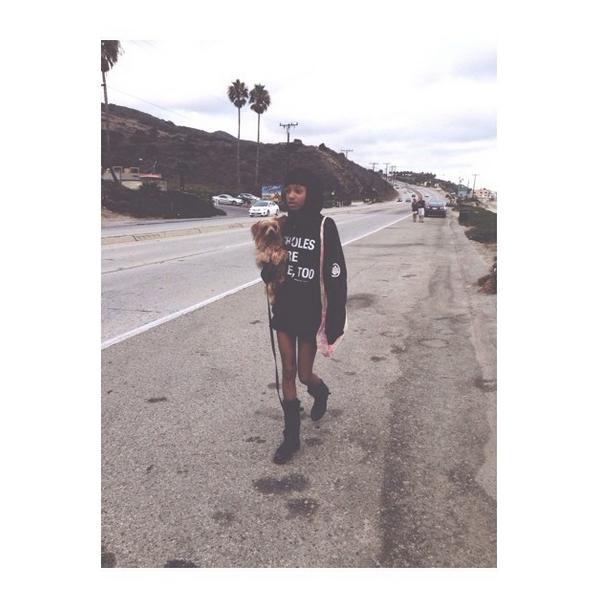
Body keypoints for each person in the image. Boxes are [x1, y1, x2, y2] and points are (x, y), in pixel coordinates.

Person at [260, 167, 347, 464]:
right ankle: (291, 437)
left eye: (298, 190)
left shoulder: (324, 226)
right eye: (288, 190)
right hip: (285, 305)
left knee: (303, 373)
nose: (291, 196)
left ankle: (319, 391)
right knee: (287, 369)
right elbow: (269, 263)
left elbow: (336, 273)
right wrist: (268, 270)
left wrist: (335, 315)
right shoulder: (281, 225)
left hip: (310, 309)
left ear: (311, 193)